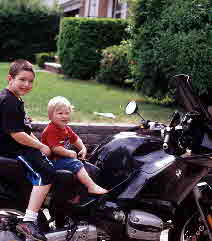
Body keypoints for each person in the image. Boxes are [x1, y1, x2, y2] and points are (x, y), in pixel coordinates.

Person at [0, 59, 56, 241]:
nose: (27, 84)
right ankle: (29, 221)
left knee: (50, 164)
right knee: (45, 173)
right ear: (10, 78)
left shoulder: (14, 99)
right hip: (13, 151)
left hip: (19, 147)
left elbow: (25, 130)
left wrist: (42, 146)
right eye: (22, 80)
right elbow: (17, 135)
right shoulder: (8, 101)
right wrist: (40, 146)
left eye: (30, 81)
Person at [41, 96, 108, 199]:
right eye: (60, 113)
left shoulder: (66, 128)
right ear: (50, 116)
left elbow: (76, 139)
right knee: (75, 164)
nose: (64, 116)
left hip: (62, 160)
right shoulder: (51, 130)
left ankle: (77, 195)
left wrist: (83, 148)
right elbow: (55, 148)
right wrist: (69, 153)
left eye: (67, 113)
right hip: (51, 162)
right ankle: (91, 187)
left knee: (87, 167)